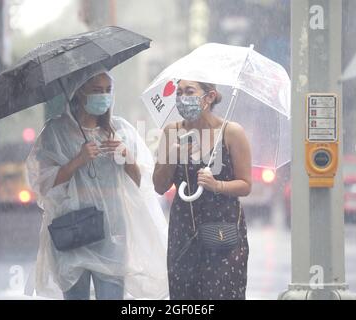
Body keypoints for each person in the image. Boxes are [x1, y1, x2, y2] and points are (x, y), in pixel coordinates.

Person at [26, 71, 168, 300]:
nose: (103, 96)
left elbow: (143, 181)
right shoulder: (56, 132)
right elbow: (42, 182)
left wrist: (126, 156)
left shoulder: (121, 130)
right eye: (96, 90)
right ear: (79, 93)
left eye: (107, 90)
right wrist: (77, 161)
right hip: (72, 229)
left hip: (112, 232)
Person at [153, 80, 252, 300]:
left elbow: (246, 185)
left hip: (222, 229)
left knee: (222, 294)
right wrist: (172, 157)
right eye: (178, 93)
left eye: (189, 92)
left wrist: (217, 185)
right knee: (185, 296)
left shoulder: (231, 132)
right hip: (184, 230)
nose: (182, 98)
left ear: (209, 97)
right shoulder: (172, 132)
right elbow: (159, 186)